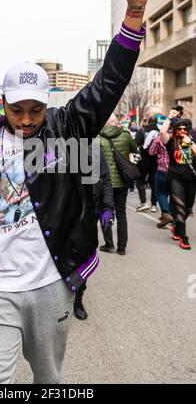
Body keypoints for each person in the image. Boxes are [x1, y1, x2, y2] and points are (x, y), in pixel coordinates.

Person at [0, 0, 150, 384]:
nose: (28, 119)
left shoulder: (67, 129)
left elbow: (109, 82)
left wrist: (135, 10)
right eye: (18, 110)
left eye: (36, 109)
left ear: (47, 104)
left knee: (48, 378)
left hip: (51, 282)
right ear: (3, 105)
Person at [73, 148, 114, 320]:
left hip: (91, 211)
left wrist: (107, 207)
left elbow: (105, 179)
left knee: (84, 255)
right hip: (64, 213)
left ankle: (78, 300)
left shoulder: (94, 147)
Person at [99, 113, 138, 255]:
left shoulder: (97, 138)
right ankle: (122, 247)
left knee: (105, 211)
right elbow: (136, 150)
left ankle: (109, 244)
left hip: (104, 183)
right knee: (121, 213)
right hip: (122, 181)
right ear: (116, 122)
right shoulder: (125, 136)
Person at [160, 112, 196, 249]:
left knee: (188, 208)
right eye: (179, 129)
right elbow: (162, 131)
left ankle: (176, 227)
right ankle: (183, 238)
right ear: (175, 131)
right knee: (180, 208)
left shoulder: (191, 140)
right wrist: (169, 118)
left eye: (184, 129)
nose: (182, 131)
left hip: (191, 180)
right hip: (175, 179)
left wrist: (190, 142)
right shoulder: (171, 142)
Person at [135, 116, 159, 212]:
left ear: (148, 121)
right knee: (154, 182)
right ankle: (154, 205)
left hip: (143, 160)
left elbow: (136, 142)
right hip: (155, 160)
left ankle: (143, 202)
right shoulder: (160, 132)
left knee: (140, 181)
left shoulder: (142, 131)